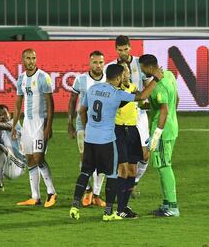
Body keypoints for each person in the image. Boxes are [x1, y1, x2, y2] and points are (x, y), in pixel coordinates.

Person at [69, 64, 163, 221]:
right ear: (119, 77)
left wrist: (87, 128)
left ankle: (74, 206)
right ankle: (108, 213)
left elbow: (81, 111)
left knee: (85, 172)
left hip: (90, 138)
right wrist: (157, 79)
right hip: (107, 139)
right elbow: (141, 96)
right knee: (113, 174)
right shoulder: (117, 94)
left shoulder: (92, 89)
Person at [105, 35, 151, 198]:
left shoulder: (140, 63)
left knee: (145, 154)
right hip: (120, 115)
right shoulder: (109, 67)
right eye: (120, 49)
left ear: (130, 47)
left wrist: (147, 102)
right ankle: (121, 188)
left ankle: (134, 181)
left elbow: (146, 89)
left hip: (139, 114)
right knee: (121, 156)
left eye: (125, 49)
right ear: (115, 49)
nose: (123, 53)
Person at [12, 48, 57, 208]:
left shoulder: (43, 77)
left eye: (33, 58)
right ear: (22, 60)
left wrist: (48, 126)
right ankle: (35, 197)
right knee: (30, 159)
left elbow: (51, 104)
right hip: (27, 125)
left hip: (40, 122)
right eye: (28, 58)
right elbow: (18, 104)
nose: (31, 61)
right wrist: (14, 125)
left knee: (39, 158)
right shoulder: (21, 78)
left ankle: (51, 192)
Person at [139, 54, 180, 217]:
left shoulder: (159, 86)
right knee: (164, 165)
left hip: (162, 131)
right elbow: (176, 99)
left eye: (143, 69)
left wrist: (156, 135)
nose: (142, 73)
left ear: (149, 68)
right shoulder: (169, 74)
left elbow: (163, 110)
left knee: (164, 167)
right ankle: (166, 204)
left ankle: (173, 207)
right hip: (172, 127)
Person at [67, 50, 106, 207]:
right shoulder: (81, 79)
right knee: (85, 160)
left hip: (103, 126)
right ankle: (88, 189)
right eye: (95, 62)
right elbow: (72, 101)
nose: (98, 65)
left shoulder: (109, 80)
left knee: (103, 161)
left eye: (100, 62)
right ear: (89, 63)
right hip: (82, 125)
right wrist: (69, 123)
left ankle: (96, 195)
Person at [114, 61, 142, 218]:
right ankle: (119, 208)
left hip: (133, 130)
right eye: (123, 71)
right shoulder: (116, 91)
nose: (127, 73)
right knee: (123, 170)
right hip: (120, 131)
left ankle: (124, 206)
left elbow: (141, 103)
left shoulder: (133, 88)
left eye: (128, 70)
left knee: (133, 170)